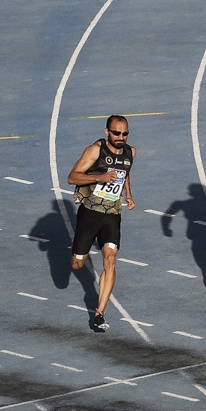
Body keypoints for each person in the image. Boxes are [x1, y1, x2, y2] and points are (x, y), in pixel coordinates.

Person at [67, 115, 135, 331]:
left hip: (112, 213)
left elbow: (124, 175)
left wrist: (129, 196)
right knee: (77, 264)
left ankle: (99, 312)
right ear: (107, 132)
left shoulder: (130, 153)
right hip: (90, 213)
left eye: (124, 133)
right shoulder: (95, 150)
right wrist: (99, 178)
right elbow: (72, 177)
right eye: (116, 133)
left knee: (111, 260)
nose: (121, 137)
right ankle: (79, 250)